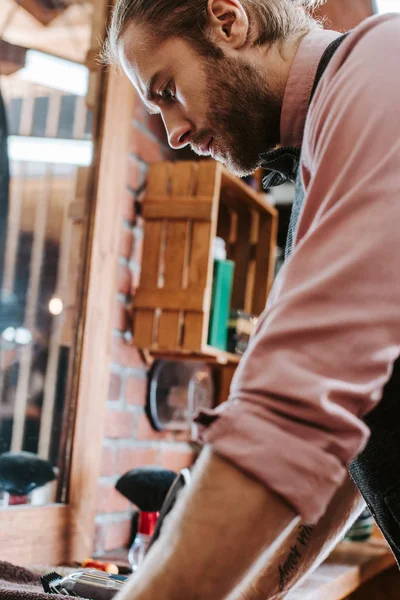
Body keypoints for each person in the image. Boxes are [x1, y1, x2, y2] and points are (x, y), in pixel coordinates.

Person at [102, 1, 400, 598]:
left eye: (167, 91)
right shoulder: (319, 151)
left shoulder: (382, 66)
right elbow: (351, 431)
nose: (175, 133)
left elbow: (293, 408)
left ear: (227, 19)